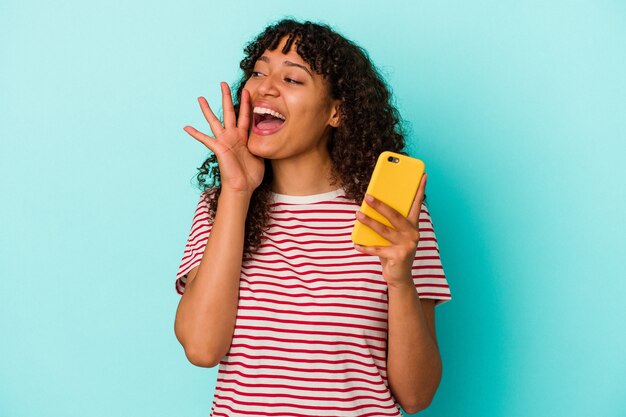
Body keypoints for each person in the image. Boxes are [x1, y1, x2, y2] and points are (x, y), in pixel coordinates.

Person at [174, 18, 452, 416]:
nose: (265, 87)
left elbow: (416, 396)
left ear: (336, 112)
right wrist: (237, 192)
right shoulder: (219, 207)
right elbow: (201, 349)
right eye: (258, 72)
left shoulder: (395, 217)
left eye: (293, 79)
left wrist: (400, 278)